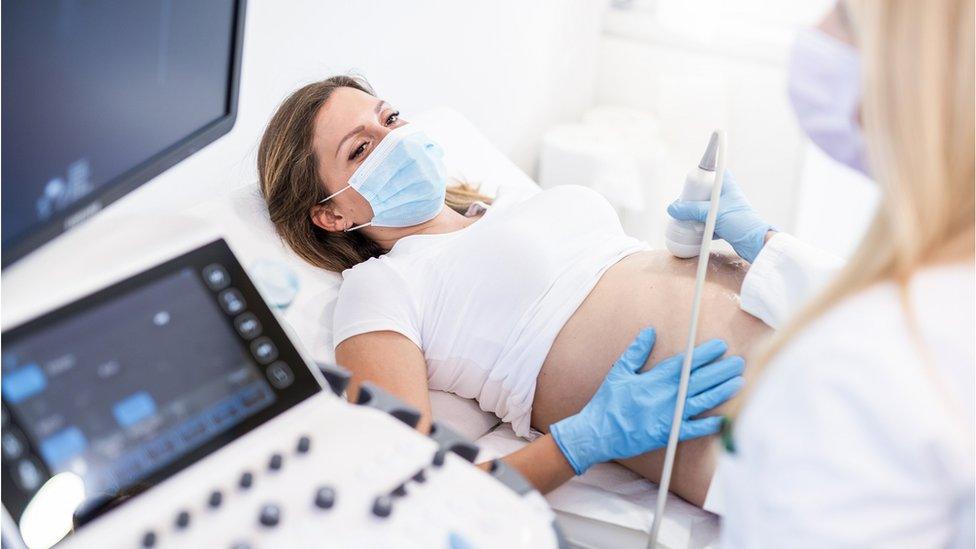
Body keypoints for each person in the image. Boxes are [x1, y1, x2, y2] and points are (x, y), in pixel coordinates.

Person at [257, 76, 773, 506]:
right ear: (332, 214)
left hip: (794, 320)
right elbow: (406, 482)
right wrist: (583, 440)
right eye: (361, 148)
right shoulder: (380, 286)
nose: (392, 140)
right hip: (737, 416)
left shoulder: (507, 202)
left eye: (389, 119)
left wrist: (759, 244)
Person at [667, 0, 974, 545]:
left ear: (923, 69)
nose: (817, 34)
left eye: (847, 15)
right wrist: (765, 246)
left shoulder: (863, 366)